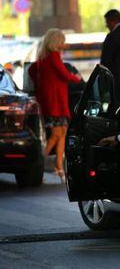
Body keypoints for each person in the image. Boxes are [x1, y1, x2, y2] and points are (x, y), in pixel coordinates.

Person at [28, 29, 81, 183]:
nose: (64, 44)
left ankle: (58, 167)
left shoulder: (43, 59)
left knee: (62, 133)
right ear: (56, 42)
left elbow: (32, 70)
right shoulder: (54, 56)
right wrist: (76, 78)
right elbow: (64, 74)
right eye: (62, 41)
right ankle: (39, 163)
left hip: (51, 102)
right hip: (56, 103)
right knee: (57, 134)